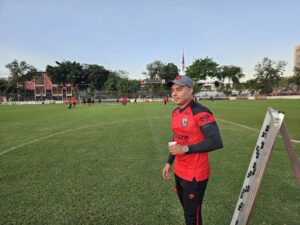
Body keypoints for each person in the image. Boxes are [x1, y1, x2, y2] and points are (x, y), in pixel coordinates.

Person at [162, 75, 223, 225]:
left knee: (192, 216)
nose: (174, 93)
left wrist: (186, 148)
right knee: (189, 212)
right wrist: (169, 162)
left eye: (179, 89)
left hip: (195, 174)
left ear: (190, 90)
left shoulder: (201, 112)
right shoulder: (175, 113)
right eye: (173, 90)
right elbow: (177, 138)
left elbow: (216, 141)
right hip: (180, 171)